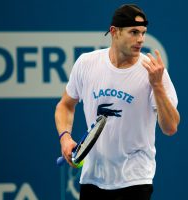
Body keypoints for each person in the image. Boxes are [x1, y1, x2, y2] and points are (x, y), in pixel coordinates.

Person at [55, 4, 180, 200]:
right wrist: (65, 137)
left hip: (135, 180)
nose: (141, 39)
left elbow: (170, 127)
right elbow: (65, 105)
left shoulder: (153, 73)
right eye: (134, 32)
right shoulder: (86, 63)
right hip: (92, 179)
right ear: (114, 32)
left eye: (143, 33)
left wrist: (157, 86)